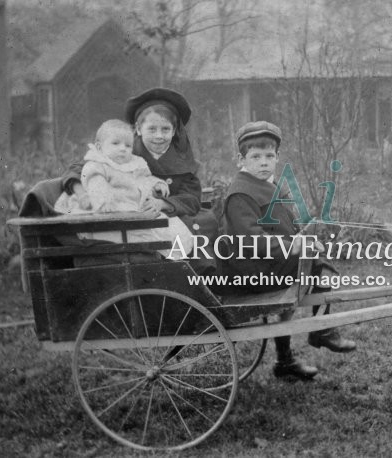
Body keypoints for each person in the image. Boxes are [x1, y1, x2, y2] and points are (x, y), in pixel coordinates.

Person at [221, 121, 356, 380]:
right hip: (250, 270)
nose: (263, 163)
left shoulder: (269, 186)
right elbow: (251, 240)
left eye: (269, 156)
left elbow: (286, 225)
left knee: (314, 261)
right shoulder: (240, 194)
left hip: (270, 263)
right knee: (317, 265)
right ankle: (322, 329)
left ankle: (287, 360)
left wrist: (303, 239)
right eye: (256, 157)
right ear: (241, 159)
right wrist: (293, 246)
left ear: (277, 157)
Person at [61, 88, 217, 273]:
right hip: (130, 212)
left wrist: (163, 203)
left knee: (204, 223)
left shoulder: (183, 161)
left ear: (174, 131)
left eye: (165, 129)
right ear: (138, 129)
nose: (159, 136)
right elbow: (83, 169)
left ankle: (199, 278)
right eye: (151, 129)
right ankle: (173, 275)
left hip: (167, 210)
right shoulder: (124, 151)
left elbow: (191, 198)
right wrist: (82, 192)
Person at [54, 119, 194, 259]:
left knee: (168, 228)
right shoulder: (98, 164)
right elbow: (96, 184)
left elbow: (144, 179)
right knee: (131, 234)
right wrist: (103, 202)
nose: (123, 149)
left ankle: (160, 254)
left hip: (130, 210)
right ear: (99, 146)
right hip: (105, 211)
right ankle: (145, 253)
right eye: (116, 143)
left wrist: (157, 184)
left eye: (128, 145)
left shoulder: (133, 164)